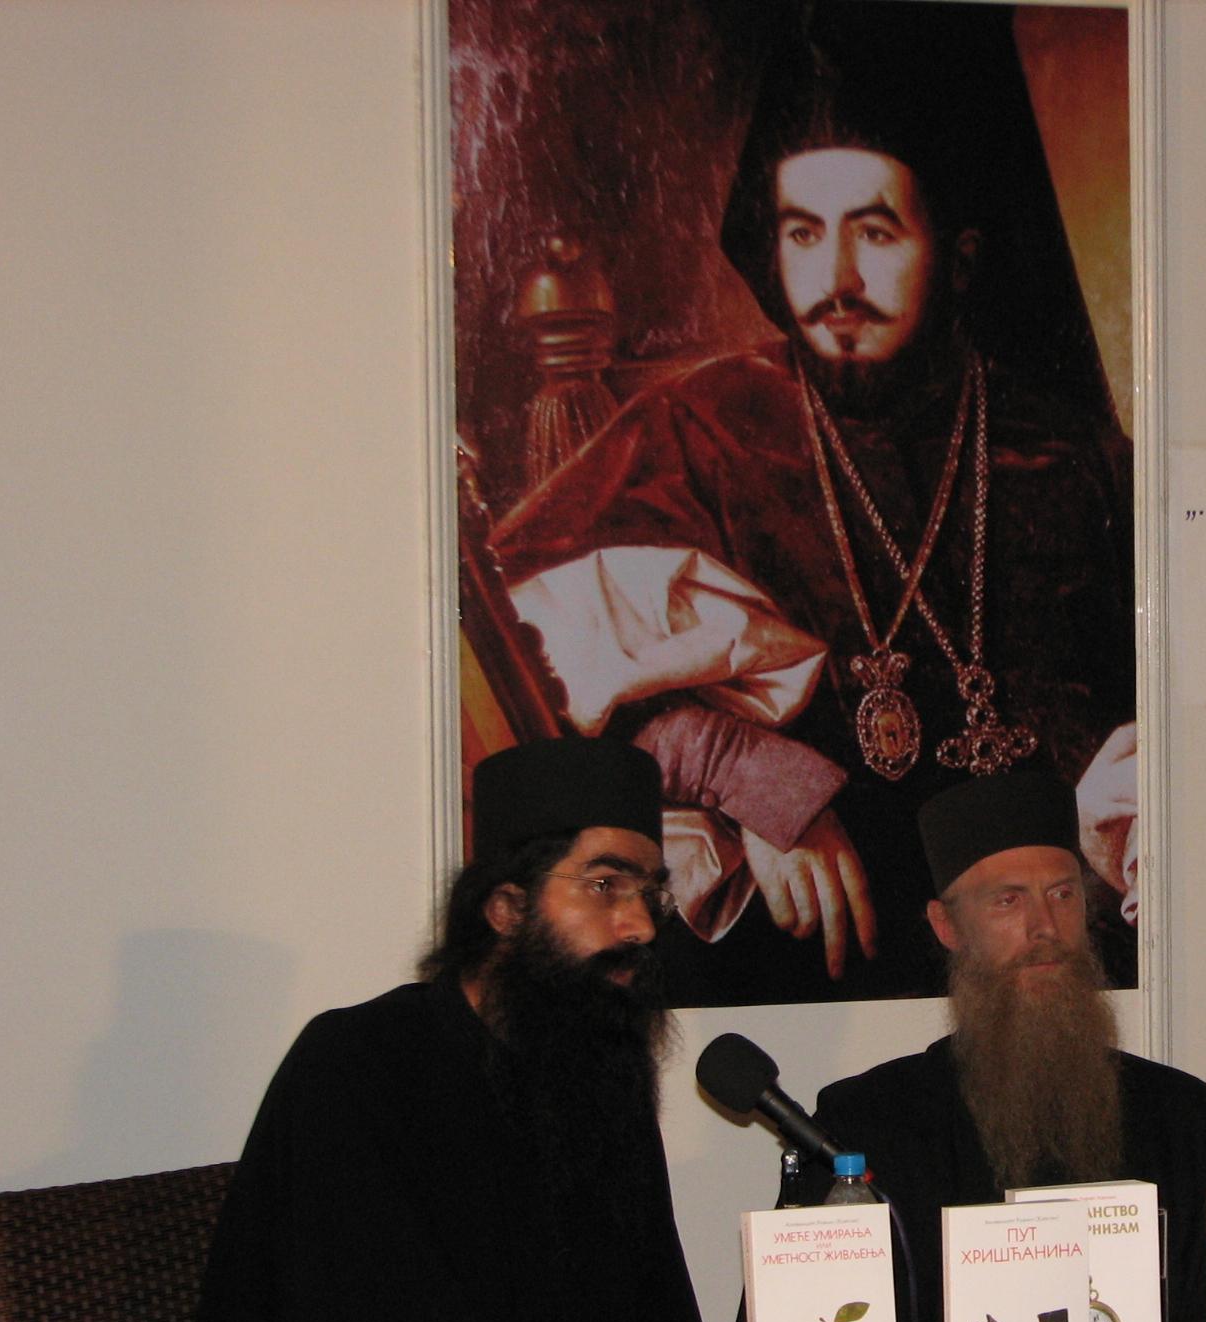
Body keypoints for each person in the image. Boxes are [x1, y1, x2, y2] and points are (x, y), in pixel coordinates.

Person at [482, 2, 1141, 1008]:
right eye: (802, 232)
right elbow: (516, 668)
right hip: (804, 961)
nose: (834, 280)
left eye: (874, 232)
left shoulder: (1071, 451)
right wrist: (742, 770)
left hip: (1056, 947)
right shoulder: (693, 432)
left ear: (959, 252)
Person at [189, 736, 703, 1322]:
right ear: (506, 910)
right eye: (605, 885)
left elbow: (650, 1321)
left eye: (651, 893)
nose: (638, 924)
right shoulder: (358, 1065)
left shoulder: (598, 1068)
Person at [804, 772, 1206, 1322]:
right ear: (947, 926)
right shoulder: (867, 1125)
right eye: (1008, 901)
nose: (1045, 929)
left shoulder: (1183, 1116)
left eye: (1062, 894)